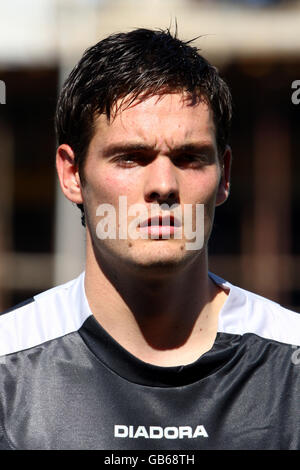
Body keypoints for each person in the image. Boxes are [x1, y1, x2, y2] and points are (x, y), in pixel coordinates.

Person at [0, 28, 299, 451]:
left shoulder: (290, 367)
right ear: (71, 174)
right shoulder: (10, 370)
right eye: (131, 158)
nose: (163, 185)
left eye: (189, 158)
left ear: (224, 175)